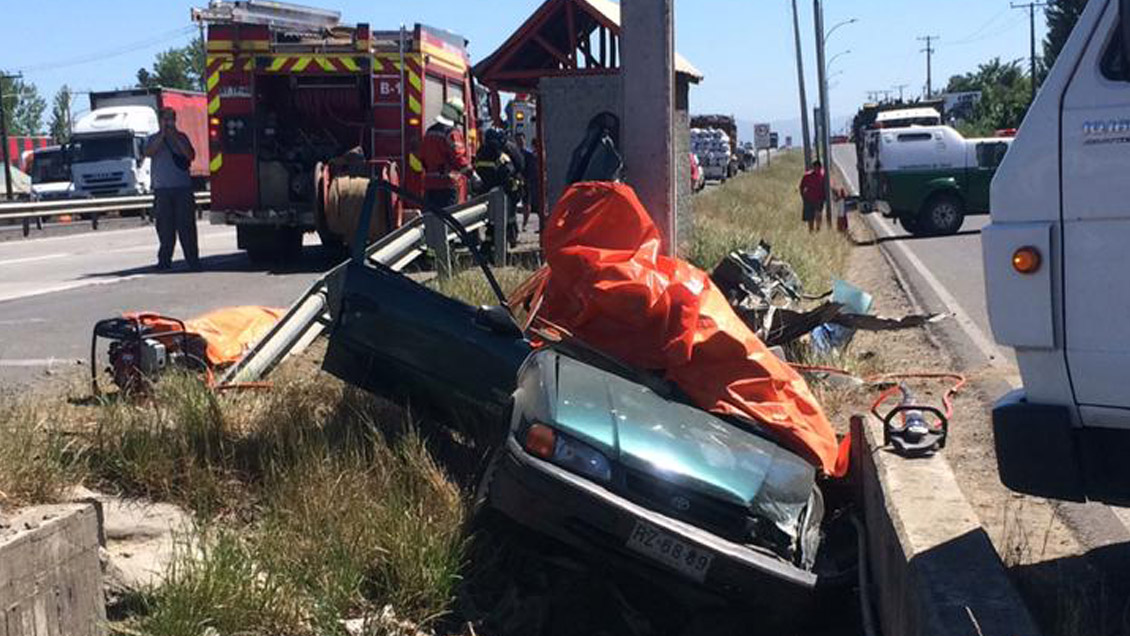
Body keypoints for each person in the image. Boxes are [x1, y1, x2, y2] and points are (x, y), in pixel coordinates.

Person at [145, 107, 199, 270]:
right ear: (160, 121)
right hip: (162, 190)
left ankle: (193, 260)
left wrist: (175, 137)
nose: (168, 123)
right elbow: (149, 152)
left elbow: (190, 156)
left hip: (182, 189)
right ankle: (164, 260)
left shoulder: (181, 137)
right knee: (165, 228)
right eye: (165, 119)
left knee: (186, 228)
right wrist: (162, 135)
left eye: (171, 119)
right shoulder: (154, 138)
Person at [420, 98, 476, 211]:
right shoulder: (452, 133)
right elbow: (459, 158)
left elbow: (423, 157)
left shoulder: (430, 131)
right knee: (446, 221)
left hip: (430, 185)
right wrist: (472, 175)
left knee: (430, 220)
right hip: (447, 185)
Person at [474, 128, 524, 246]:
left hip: (489, 190)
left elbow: (478, 170)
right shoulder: (506, 148)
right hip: (506, 188)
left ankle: (496, 241)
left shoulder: (482, 151)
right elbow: (520, 165)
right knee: (509, 215)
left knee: (493, 219)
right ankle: (510, 238)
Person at [515, 133, 543, 232]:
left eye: (521, 140)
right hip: (517, 181)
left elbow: (532, 169)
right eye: (518, 140)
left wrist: (528, 179)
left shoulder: (529, 154)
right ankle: (522, 225)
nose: (520, 142)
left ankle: (525, 224)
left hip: (528, 181)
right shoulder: (514, 152)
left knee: (530, 203)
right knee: (523, 203)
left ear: (524, 140)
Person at [799, 159, 827, 232]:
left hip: (819, 199)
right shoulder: (807, 176)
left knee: (818, 214)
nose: (817, 169)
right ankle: (811, 230)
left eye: (818, 168)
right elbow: (801, 186)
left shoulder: (823, 175)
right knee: (810, 217)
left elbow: (826, 186)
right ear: (813, 167)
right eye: (815, 167)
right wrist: (803, 196)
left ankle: (818, 229)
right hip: (809, 199)